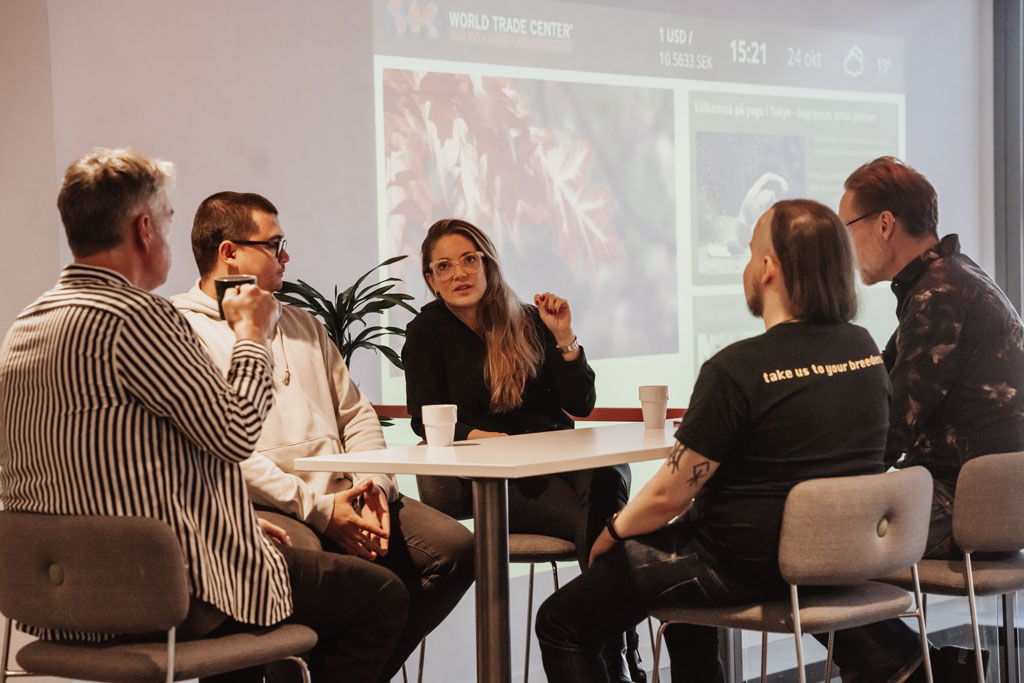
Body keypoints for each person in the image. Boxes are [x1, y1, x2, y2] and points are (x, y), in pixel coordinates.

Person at [0, 148, 407, 682]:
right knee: (381, 597)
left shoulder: (27, 325)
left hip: (59, 599)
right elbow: (236, 434)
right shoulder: (142, 319)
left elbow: (99, 469)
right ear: (144, 229)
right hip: (158, 589)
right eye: (168, 221)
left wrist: (218, 515)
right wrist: (250, 336)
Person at [536, 199, 893, 682]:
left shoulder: (736, 368)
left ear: (767, 268)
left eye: (750, 253)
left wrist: (614, 531)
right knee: (678, 592)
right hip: (837, 555)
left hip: (743, 565)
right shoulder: (865, 348)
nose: (746, 265)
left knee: (561, 621)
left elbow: (667, 495)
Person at [172, 191, 474, 681]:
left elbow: (356, 415)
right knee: (305, 560)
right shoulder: (179, 331)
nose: (285, 256)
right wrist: (319, 510)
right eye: (274, 244)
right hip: (265, 507)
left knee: (454, 549)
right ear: (229, 253)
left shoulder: (303, 324)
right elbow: (225, 451)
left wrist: (374, 485)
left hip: (349, 492)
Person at [401, 217, 642, 681]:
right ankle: (614, 657)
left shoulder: (526, 319)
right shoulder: (426, 331)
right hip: (500, 479)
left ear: (488, 263)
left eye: (469, 259)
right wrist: (482, 439)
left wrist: (565, 338)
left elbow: (581, 404)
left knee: (610, 472)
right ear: (431, 279)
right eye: (444, 266)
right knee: (614, 533)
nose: (459, 274)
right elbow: (424, 416)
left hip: (564, 462)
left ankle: (603, 654)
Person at [827, 156, 1024, 680]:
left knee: (813, 539)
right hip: (993, 503)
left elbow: (891, 427)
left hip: (964, 505)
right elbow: (882, 389)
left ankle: (911, 669)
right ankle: (918, 667)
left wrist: (817, 471)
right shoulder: (954, 278)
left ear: (885, 224)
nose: (845, 250)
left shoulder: (938, 295)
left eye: (847, 229)